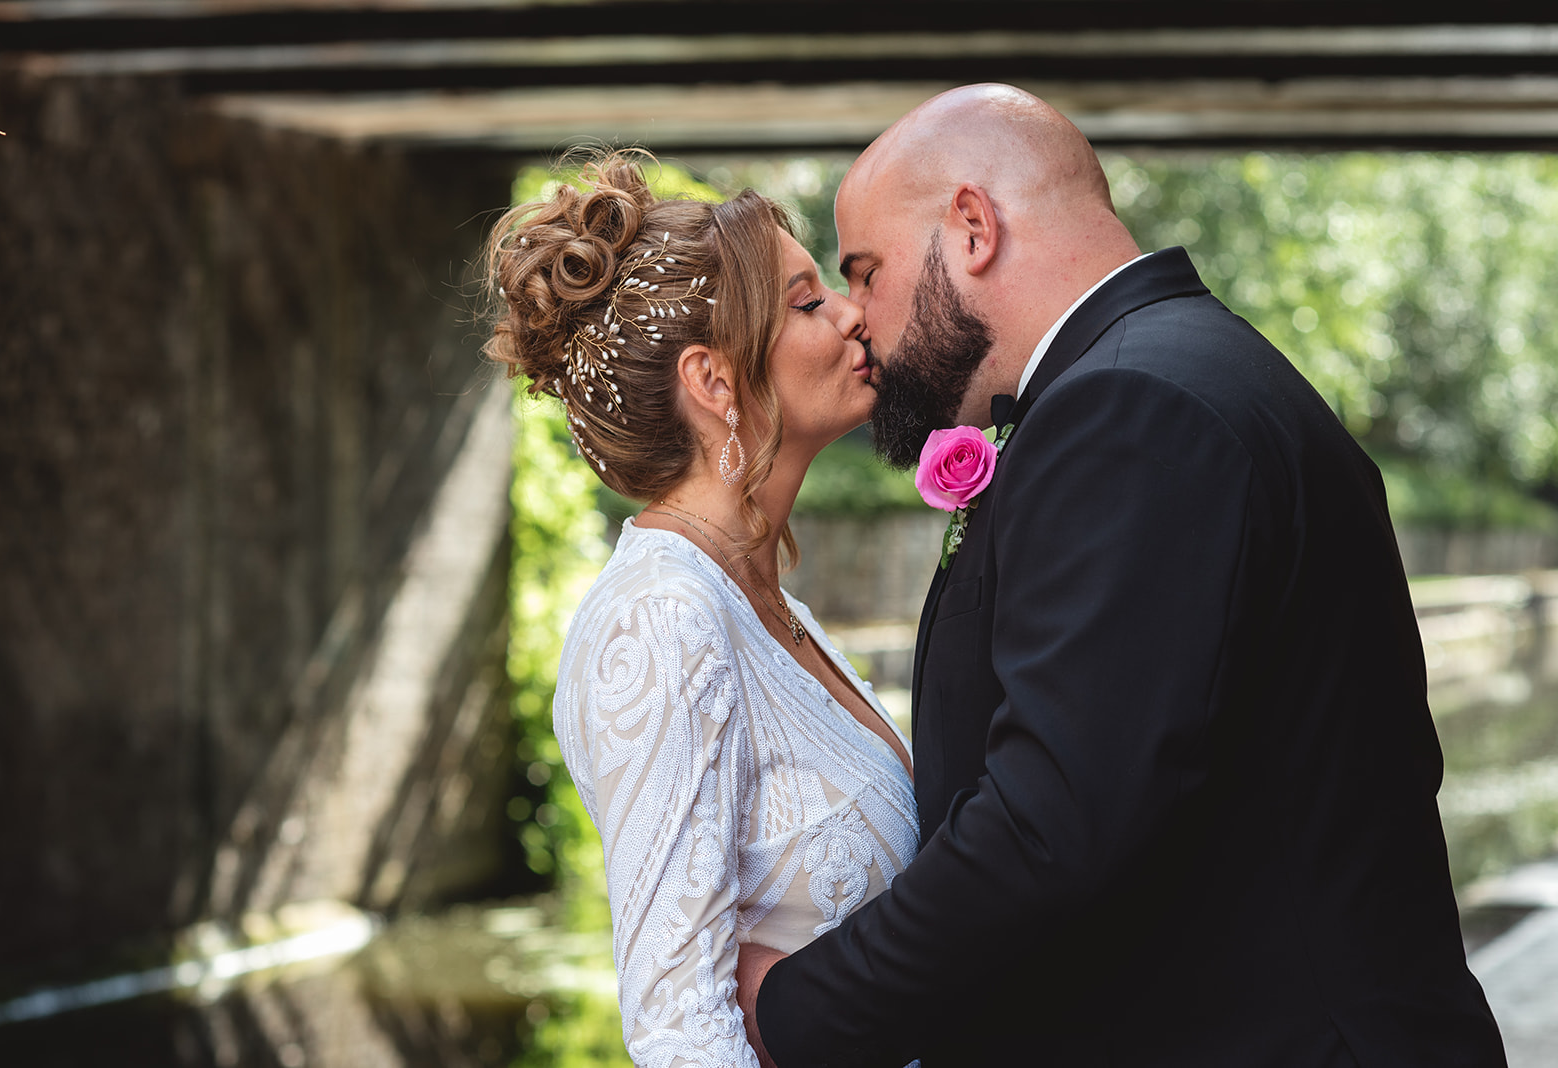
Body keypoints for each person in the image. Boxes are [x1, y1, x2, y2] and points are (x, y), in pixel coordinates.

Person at [741, 84, 1507, 1066]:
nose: (861, 323)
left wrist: (802, 1008)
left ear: (971, 227)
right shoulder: (1172, 374)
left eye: (868, 272)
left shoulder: (1129, 408)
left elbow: (1054, 819)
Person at [482, 151, 918, 1068]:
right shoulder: (661, 621)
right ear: (715, 383)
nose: (851, 312)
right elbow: (681, 1030)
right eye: (806, 303)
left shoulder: (758, 599)